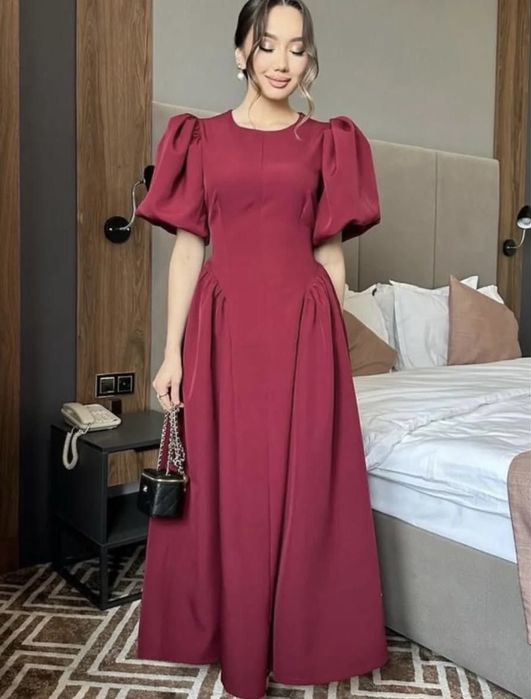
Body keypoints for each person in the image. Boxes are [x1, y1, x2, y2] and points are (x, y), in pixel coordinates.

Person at [134, 1, 389, 697]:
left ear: (309, 60)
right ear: (241, 52)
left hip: (303, 330)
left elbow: (329, 252)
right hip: (222, 333)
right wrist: (170, 352)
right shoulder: (200, 137)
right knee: (233, 488)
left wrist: (331, 331)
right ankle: (238, 648)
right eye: (268, 44)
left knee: (301, 485)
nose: (282, 61)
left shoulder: (328, 142)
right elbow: (189, 251)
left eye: (296, 48)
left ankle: (296, 641)